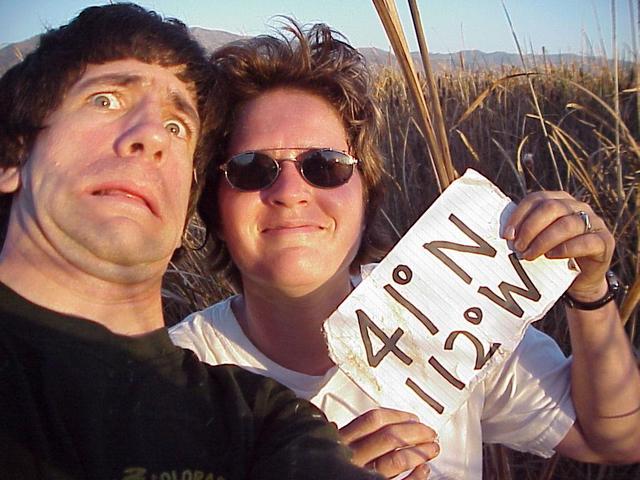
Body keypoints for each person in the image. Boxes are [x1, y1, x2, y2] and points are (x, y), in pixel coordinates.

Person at [169, 20, 640, 480]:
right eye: (253, 168)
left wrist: (590, 293)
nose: (291, 191)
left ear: (365, 192)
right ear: (214, 205)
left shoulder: (451, 307)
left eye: (325, 165)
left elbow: (617, 440)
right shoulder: (175, 385)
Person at [0, 5, 384, 480]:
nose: (150, 137)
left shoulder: (266, 423)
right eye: (106, 100)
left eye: (176, 127)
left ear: (186, 210)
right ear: (13, 155)